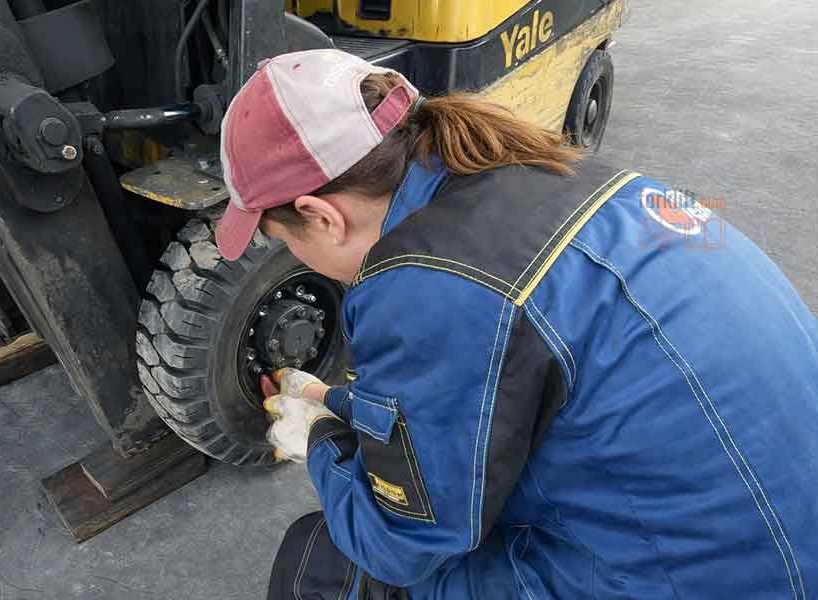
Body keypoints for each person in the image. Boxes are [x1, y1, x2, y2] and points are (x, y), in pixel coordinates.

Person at [213, 49, 818, 599]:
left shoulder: (431, 285)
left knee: (322, 564)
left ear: (322, 216)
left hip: (710, 580)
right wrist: (339, 404)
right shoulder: (566, 177)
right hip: (779, 531)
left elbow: (398, 546)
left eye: (286, 240)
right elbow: (497, 383)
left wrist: (321, 441)